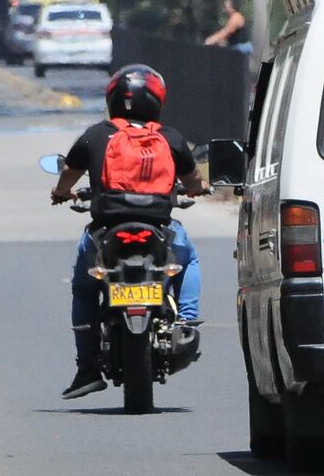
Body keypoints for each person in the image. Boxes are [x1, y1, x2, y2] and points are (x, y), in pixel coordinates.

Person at [50, 64, 210, 400]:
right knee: (188, 258)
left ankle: (87, 366)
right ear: (157, 100)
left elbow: (68, 175)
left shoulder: (96, 135)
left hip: (106, 231)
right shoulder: (170, 138)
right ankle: (186, 324)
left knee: (84, 287)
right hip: (159, 229)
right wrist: (198, 189)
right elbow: (194, 181)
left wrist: (61, 193)